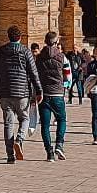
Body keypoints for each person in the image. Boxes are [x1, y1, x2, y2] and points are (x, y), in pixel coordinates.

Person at [0, 25, 42, 164]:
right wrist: (39, 90)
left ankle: (10, 155)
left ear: (8, 36)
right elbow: (33, 73)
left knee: (8, 123)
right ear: (20, 37)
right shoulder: (25, 51)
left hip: (5, 92)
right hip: (22, 92)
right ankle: (19, 139)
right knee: (25, 119)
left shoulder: (1, 51)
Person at [35, 32, 67, 161]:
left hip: (44, 93)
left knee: (45, 125)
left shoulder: (39, 57)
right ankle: (59, 144)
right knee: (62, 119)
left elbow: (35, 75)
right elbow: (67, 75)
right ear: (56, 41)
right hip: (57, 93)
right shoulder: (61, 57)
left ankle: (49, 152)